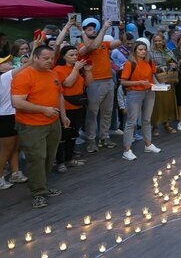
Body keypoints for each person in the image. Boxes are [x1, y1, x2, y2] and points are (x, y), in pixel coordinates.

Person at [10, 46, 68, 208]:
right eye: (46, 58)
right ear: (35, 57)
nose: (50, 61)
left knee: (50, 156)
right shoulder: (24, 76)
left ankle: (42, 185)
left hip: (53, 123)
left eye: (51, 58)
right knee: (37, 158)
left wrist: (63, 116)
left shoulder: (53, 73)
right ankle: (38, 193)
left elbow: (59, 94)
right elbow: (17, 102)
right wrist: (43, 110)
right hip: (31, 126)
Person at [78, 19, 122, 153]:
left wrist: (121, 29)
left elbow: (120, 42)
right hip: (94, 82)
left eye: (93, 28)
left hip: (108, 80)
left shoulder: (104, 43)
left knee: (107, 112)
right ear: (84, 33)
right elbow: (92, 47)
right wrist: (104, 29)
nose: (93, 30)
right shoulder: (81, 46)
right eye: (89, 29)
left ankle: (104, 137)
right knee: (92, 113)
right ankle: (91, 140)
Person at [119, 41, 161, 160]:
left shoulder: (149, 61)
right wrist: (139, 82)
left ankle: (148, 144)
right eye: (140, 49)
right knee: (131, 121)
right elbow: (123, 82)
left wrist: (159, 86)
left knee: (147, 119)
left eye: (144, 49)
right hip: (134, 93)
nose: (143, 51)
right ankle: (127, 150)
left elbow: (153, 76)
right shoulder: (129, 64)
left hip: (149, 91)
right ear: (135, 51)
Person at [53, 46, 93, 171]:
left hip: (79, 104)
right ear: (63, 56)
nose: (75, 57)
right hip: (66, 105)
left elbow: (89, 83)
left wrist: (87, 71)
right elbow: (68, 83)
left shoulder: (79, 68)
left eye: (76, 54)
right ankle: (60, 162)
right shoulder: (59, 69)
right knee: (63, 135)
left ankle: (69, 159)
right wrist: (76, 68)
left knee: (73, 134)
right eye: (71, 55)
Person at [0, 54, 29, 189]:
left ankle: (15, 172)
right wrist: (36, 46)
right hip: (6, 117)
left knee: (15, 147)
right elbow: (28, 64)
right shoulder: (4, 77)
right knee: (5, 150)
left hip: (12, 115)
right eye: (5, 62)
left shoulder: (7, 77)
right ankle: (0, 178)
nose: (9, 62)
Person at [150, 34, 180, 133]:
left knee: (168, 103)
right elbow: (148, 66)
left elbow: (176, 64)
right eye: (155, 41)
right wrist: (159, 67)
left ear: (163, 41)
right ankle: (155, 126)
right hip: (156, 80)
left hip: (168, 80)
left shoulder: (168, 51)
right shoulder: (150, 52)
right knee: (156, 104)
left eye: (159, 40)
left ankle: (167, 124)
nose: (158, 42)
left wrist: (175, 65)